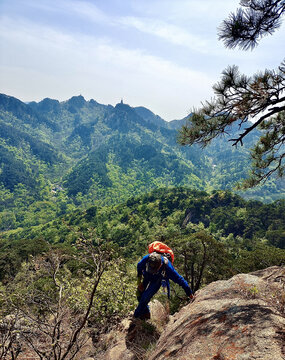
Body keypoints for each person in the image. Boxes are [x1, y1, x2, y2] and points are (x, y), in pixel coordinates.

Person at [134, 252, 194, 319]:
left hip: (157, 281)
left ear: (160, 265)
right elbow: (139, 266)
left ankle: (136, 316)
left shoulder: (168, 267)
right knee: (139, 294)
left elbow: (180, 280)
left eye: (154, 270)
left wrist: (190, 294)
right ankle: (146, 314)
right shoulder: (147, 258)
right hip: (147, 275)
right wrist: (139, 282)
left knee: (145, 297)